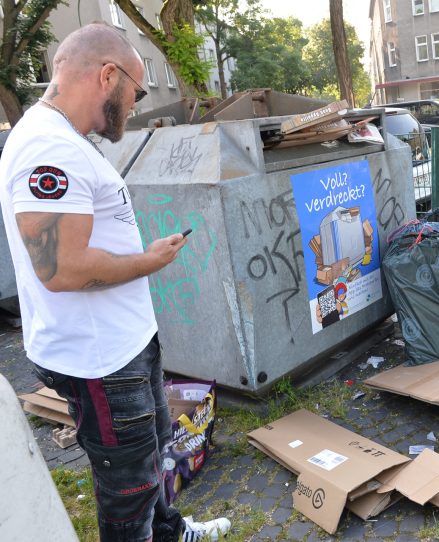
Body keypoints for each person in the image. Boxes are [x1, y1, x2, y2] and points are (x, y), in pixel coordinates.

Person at [0, 23, 230, 541]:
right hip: (98, 358)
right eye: (138, 91)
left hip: (125, 344)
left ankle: (169, 532)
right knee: (128, 487)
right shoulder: (47, 149)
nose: (135, 103)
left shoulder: (64, 140)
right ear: (108, 75)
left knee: (154, 450)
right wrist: (148, 262)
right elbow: (61, 269)